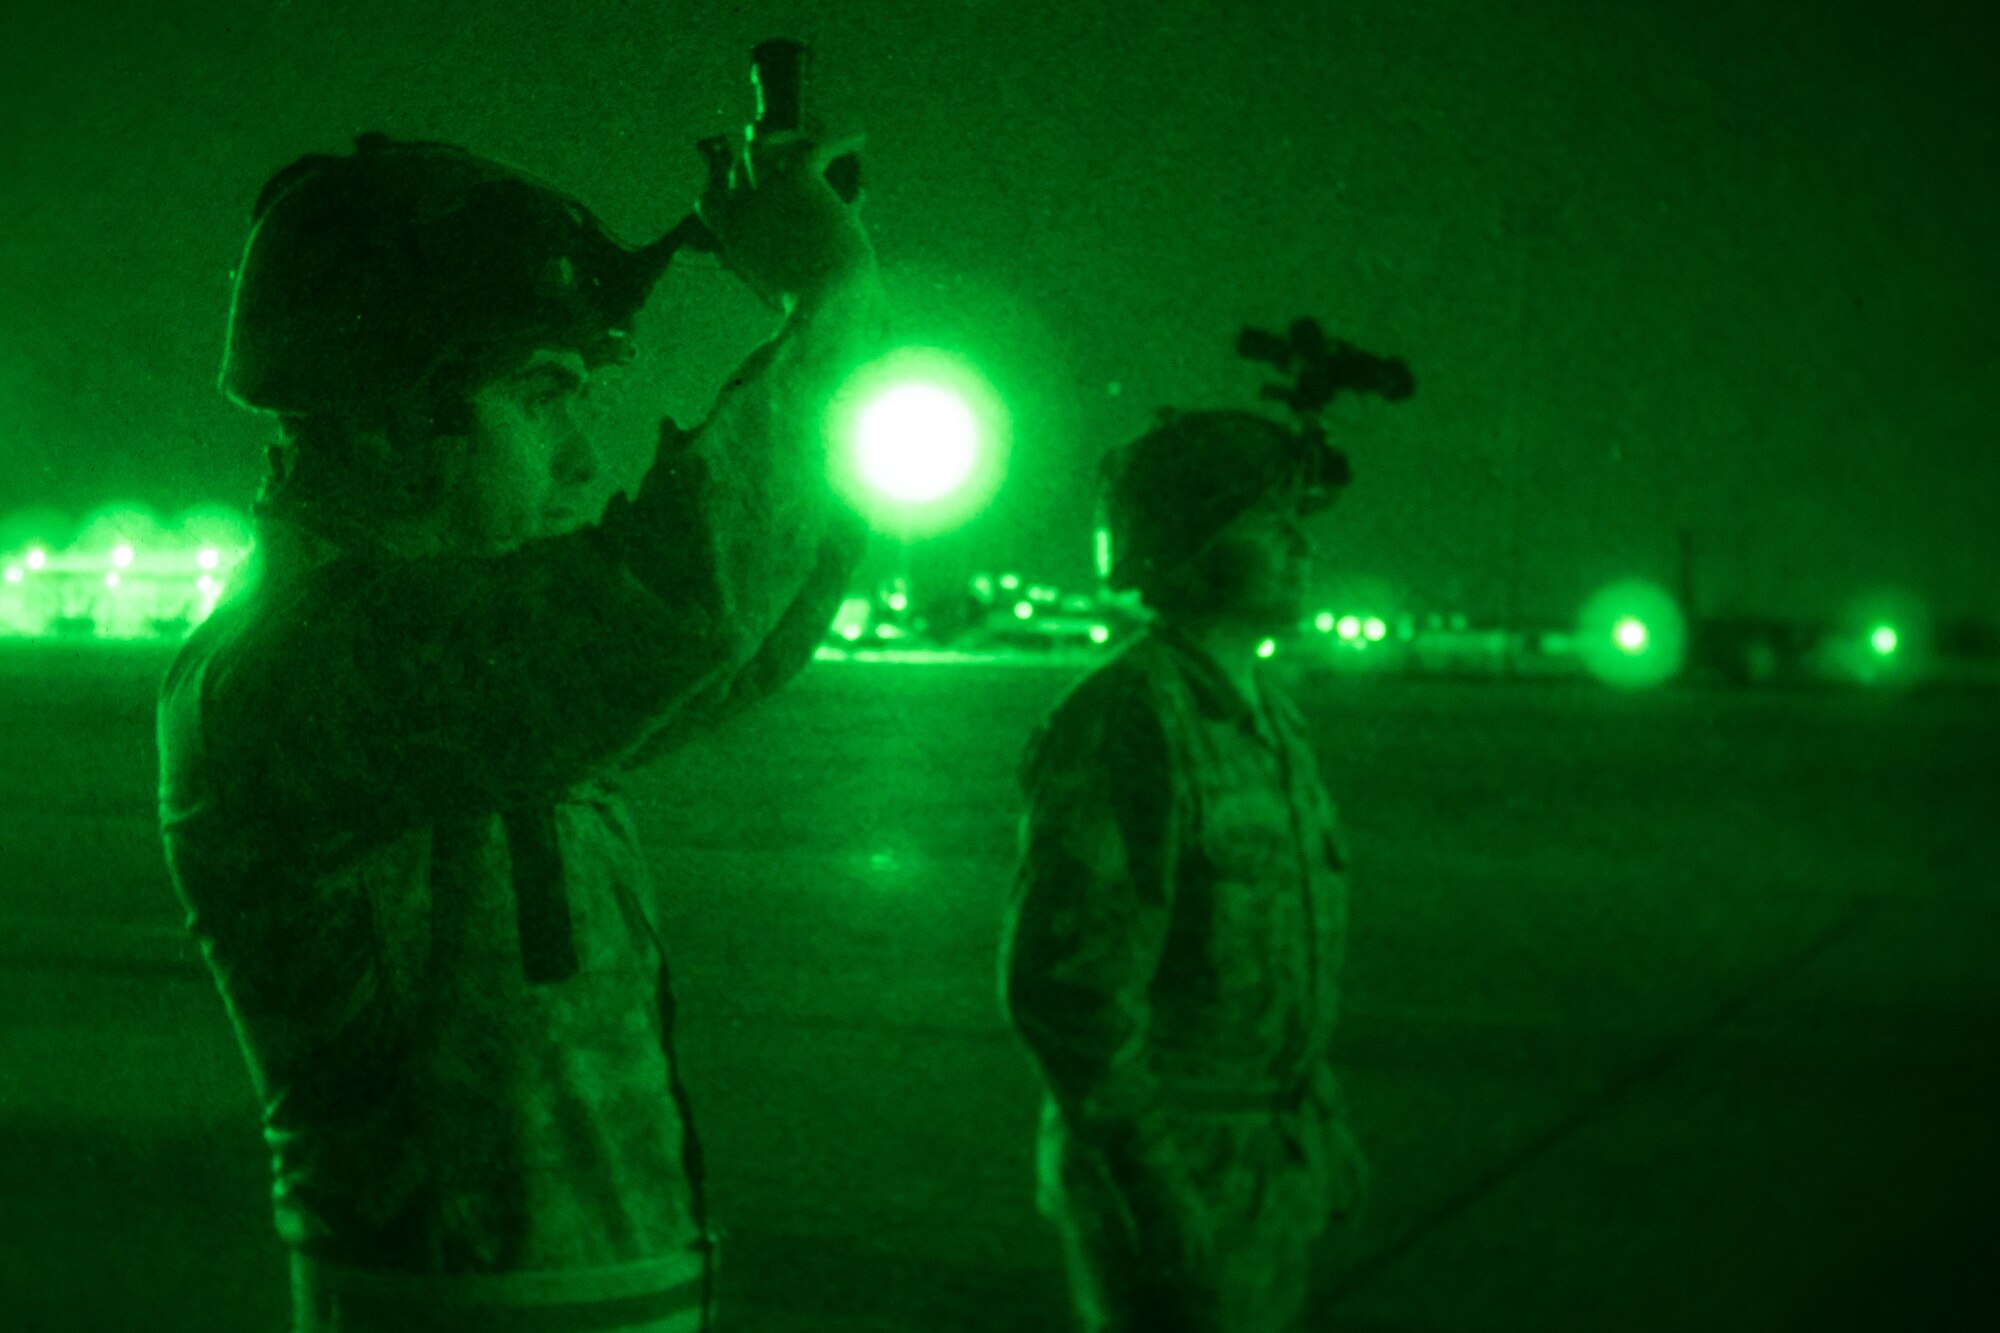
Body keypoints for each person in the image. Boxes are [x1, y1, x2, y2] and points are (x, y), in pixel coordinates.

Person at [156, 123, 886, 1333]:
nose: (582, 454)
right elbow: (677, 604)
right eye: (543, 397)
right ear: (398, 418)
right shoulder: (301, 667)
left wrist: (829, 345)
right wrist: (832, 301)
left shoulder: (447, 664)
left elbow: (725, 656)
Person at [1000, 408, 1369, 1333]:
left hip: (1266, 1164)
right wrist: (1152, 1186)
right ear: (1187, 549)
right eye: (1267, 524)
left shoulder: (1267, 716)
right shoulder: (1130, 720)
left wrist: (1317, 1120)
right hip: (1176, 1172)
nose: (1300, 546)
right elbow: (1067, 989)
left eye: (1300, 522)